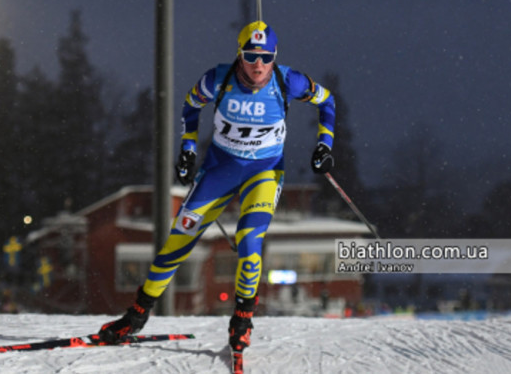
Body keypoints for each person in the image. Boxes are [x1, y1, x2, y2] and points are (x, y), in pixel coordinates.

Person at [98, 20, 336, 353]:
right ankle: (135, 317)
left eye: (266, 57)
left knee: (249, 240)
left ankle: (241, 321)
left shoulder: (288, 80)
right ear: (239, 53)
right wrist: (188, 149)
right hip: (221, 169)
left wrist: (324, 145)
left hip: (263, 172)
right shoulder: (217, 79)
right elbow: (190, 105)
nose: (258, 65)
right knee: (177, 241)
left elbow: (327, 102)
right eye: (251, 56)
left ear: (275, 56)